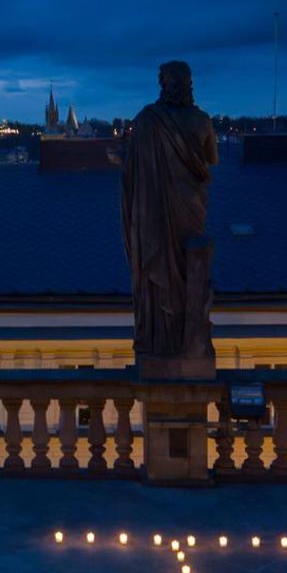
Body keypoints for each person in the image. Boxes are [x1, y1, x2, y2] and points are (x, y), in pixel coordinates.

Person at [121, 61, 218, 372]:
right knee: (187, 270)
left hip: (155, 217)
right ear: (189, 84)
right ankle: (185, 339)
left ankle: (160, 337)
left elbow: (130, 174)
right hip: (190, 210)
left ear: (163, 84)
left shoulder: (147, 121)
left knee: (159, 267)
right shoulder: (200, 121)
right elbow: (211, 159)